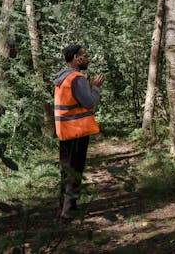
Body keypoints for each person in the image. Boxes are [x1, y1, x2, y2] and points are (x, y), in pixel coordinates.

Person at [53, 45, 105, 220]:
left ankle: (63, 209)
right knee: (74, 171)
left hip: (65, 131)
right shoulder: (77, 78)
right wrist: (95, 87)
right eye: (85, 55)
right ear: (76, 58)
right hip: (77, 132)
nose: (88, 58)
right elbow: (89, 102)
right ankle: (68, 212)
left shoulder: (62, 78)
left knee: (66, 170)